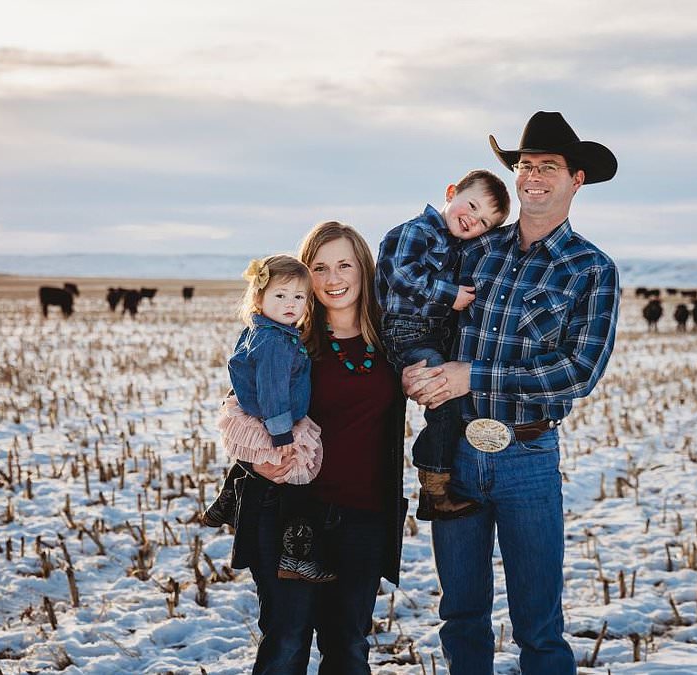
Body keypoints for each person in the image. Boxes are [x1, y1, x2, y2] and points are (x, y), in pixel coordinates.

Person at [402, 111, 621, 675]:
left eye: (549, 166)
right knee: (462, 615)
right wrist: (413, 369)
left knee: (539, 627)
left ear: (577, 179)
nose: (534, 176)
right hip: (457, 452)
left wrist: (471, 375)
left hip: (528, 456)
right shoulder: (479, 249)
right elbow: (423, 312)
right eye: (526, 165)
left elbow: (577, 371)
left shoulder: (591, 270)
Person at [230, 221, 408, 675]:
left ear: (363, 269)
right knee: (287, 642)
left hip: (366, 514)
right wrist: (257, 461)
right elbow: (239, 407)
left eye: (344, 264)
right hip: (293, 510)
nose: (333, 278)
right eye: (320, 267)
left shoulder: (390, 341)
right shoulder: (287, 337)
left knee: (348, 646)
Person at [376, 168, 511, 521]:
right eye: (471, 206)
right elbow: (400, 273)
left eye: (483, 222)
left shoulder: (457, 246)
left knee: (458, 391)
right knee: (444, 396)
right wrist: (448, 294)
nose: (472, 221)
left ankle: (438, 480)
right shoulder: (414, 232)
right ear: (451, 192)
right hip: (405, 332)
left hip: (432, 333)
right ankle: (434, 488)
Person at [202, 254, 334, 582]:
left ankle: (227, 500)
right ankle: (296, 559)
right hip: (274, 422)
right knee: (296, 488)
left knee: (269, 473)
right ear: (259, 298)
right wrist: (282, 436)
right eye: (280, 295)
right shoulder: (275, 341)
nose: (291, 304)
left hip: (264, 418)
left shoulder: (263, 331)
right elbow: (273, 389)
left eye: (299, 297)